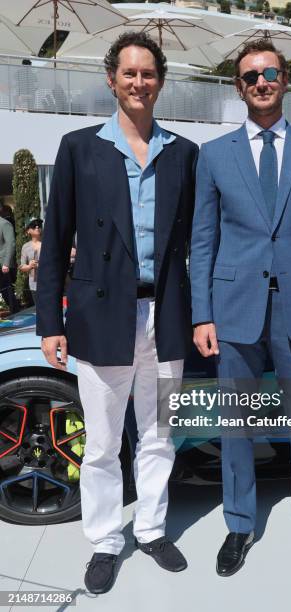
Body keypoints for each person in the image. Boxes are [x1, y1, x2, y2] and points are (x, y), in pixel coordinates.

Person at [36, 32, 198, 594]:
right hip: (101, 315)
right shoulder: (80, 146)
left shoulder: (183, 152)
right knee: (103, 443)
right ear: (112, 80)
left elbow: (195, 245)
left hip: (165, 315)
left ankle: (151, 528)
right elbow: (55, 241)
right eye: (128, 73)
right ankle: (106, 539)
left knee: (157, 434)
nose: (138, 83)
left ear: (161, 82)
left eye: (148, 74)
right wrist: (48, 324)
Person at [190, 40, 291, 577]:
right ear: (239, 87)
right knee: (237, 424)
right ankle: (239, 525)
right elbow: (203, 241)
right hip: (234, 308)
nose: (262, 81)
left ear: (285, 81)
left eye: (271, 72)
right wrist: (202, 314)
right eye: (251, 75)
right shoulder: (213, 156)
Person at [20, 217, 43, 305]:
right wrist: (29, 266)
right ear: (28, 230)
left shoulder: (47, 243)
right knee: (39, 309)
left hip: (48, 282)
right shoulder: (26, 247)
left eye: (39, 225)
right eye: (33, 225)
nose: (37, 227)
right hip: (34, 285)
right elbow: (22, 267)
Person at [0, 214, 19, 314]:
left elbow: (10, 244)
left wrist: (6, 263)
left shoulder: (4, 224)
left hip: (3, 265)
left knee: (7, 293)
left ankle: (16, 314)